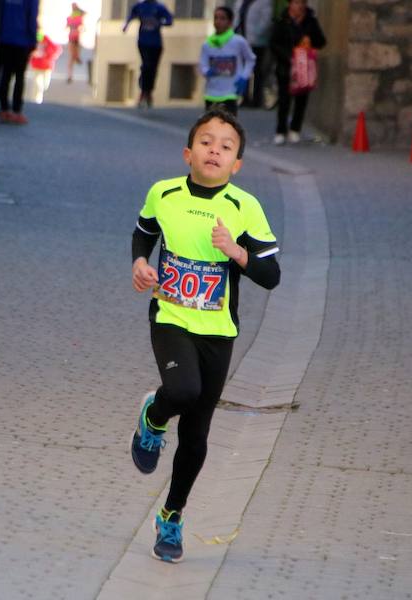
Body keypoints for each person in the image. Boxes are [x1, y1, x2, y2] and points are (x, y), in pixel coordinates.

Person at [130, 109, 281, 563]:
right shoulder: (165, 193)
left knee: (196, 436)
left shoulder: (245, 207)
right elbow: (143, 233)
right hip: (171, 317)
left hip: (219, 332)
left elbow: (271, 275)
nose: (214, 149)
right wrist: (140, 264)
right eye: (206, 141)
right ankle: (154, 418)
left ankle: (171, 518)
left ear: (236, 165)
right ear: (188, 153)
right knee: (183, 390)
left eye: (226, 145)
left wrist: (237, 252)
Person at [269, 0, 326, 145]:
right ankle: (281, 130)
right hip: (286, 67)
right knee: (284, 99)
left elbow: (321, 41)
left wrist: (310, 39)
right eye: (296, 2)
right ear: (290, 4)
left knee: (302, 99)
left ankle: (295, 129)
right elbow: (274, 43)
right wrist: (289, 56)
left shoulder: (310, 21)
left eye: (302, 3)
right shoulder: (282, 21)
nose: (299, 6)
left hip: (304, 67)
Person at [200, 6, 256, 116]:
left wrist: (244, 77)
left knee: (229, 127)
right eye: (216, 18)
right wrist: (207, 71)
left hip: (230, 93)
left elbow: (251, 59)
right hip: (211, 93)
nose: (218, 21)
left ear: (230, 22)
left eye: (222, 18)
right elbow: (202, 64)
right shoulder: (207, 44)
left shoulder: (238, 41)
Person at [123, 0, 174, 108]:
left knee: (153, 68)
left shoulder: (159, 7)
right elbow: (131, 15)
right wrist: (126, 25)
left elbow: (170, 20)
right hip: (143, 41)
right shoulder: (140, 6)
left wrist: (160, 23)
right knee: (146, 65)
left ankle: (149, 91)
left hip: (156, 43)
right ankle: (143, 91)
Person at [0, 0, 39, 125]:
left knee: (5, 74)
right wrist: (33, 40)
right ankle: (16, 111)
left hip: (4, 39)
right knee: (20, 77)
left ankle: (4, 109)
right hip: (22, 41)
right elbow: (32, 17)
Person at [233, 0, 274, 108]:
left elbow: (266, 21)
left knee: (258, 71)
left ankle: (257, 99)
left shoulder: (264, 2)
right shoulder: (241, 2)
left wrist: (256, 35)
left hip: (258, 43)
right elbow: (236, 18)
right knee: (244, 70)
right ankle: (245, 97)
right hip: (242, 40)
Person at [29, 32, 62, 104]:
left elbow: (56, 49)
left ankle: (38, 96)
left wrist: (46, 54)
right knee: (38, 84)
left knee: (45, 85)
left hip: (47, 66)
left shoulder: (47, 40)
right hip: (37, 66)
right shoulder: (33, 40)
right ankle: (36, 100)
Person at [65, 3, 85, 83]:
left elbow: (67, 26)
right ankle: (70, 75)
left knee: (72, 57)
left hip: (73, 37)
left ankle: (70, 75)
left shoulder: (72, 17)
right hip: (74, 37)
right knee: (72, 57)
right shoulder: (77, 17)